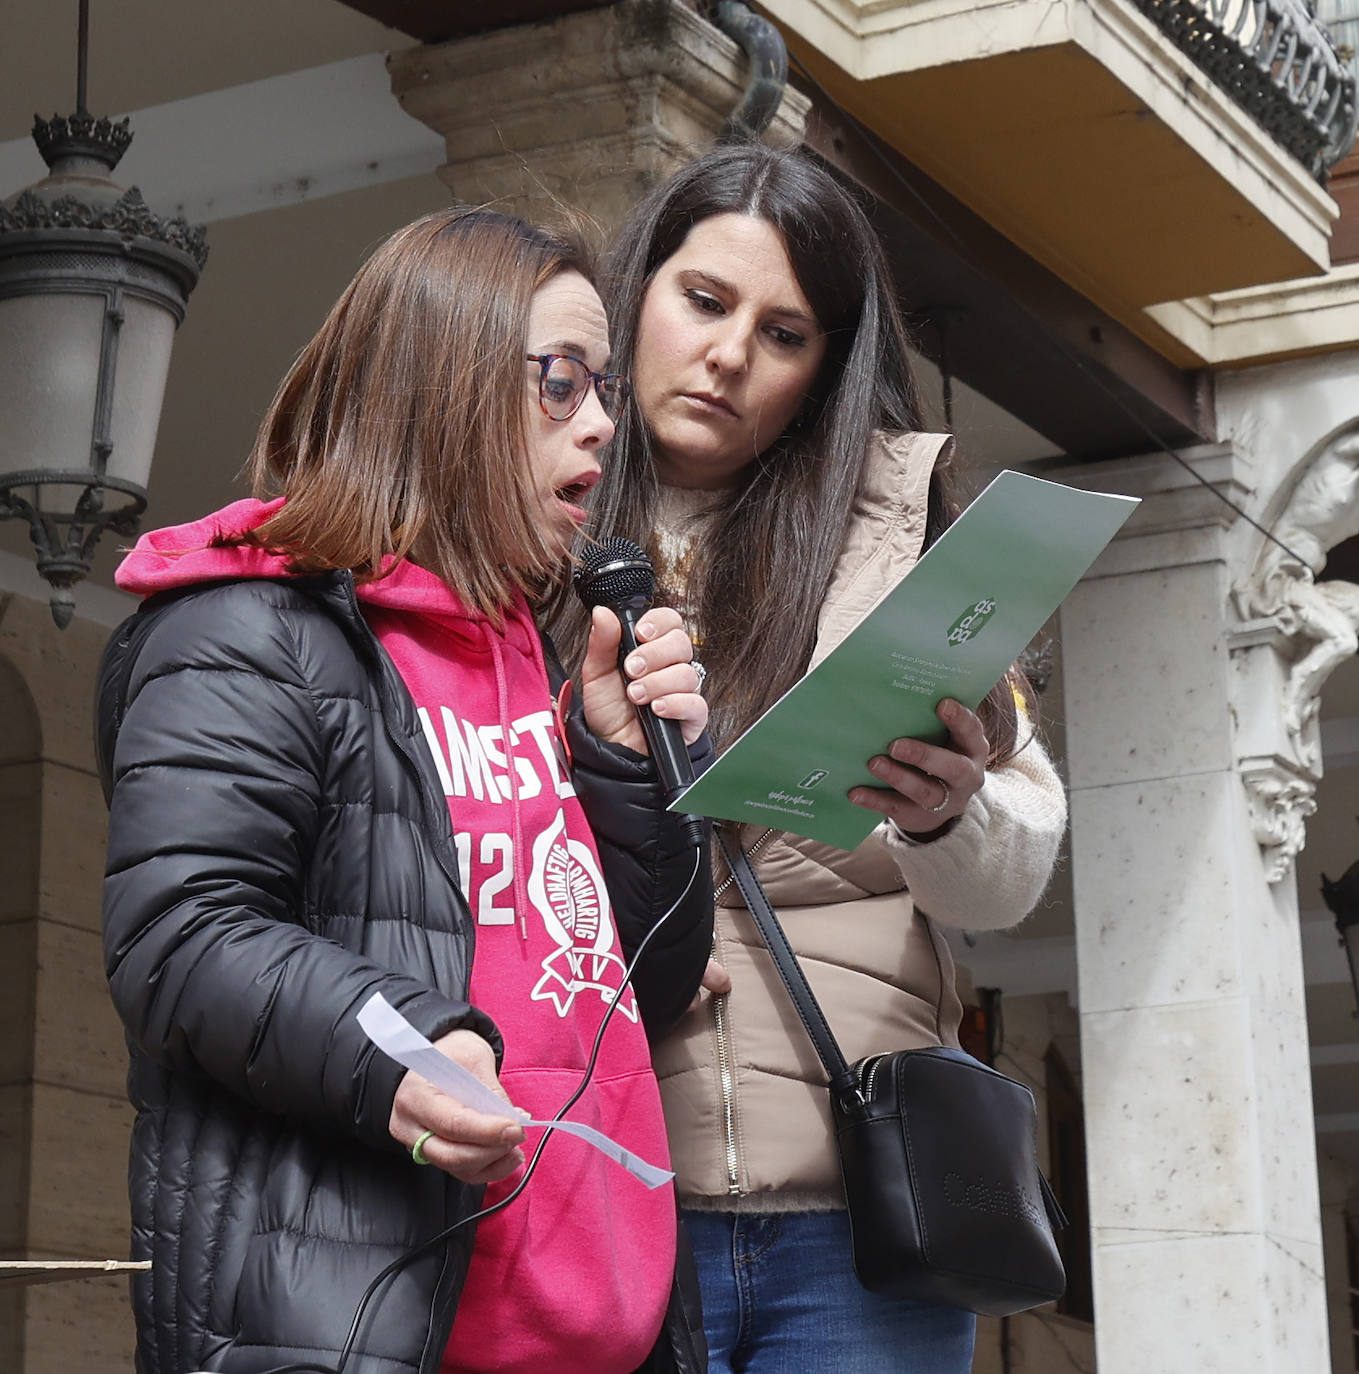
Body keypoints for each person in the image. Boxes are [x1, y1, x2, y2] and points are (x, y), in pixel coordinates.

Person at [95, 208, 716, 1374]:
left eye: (607, 392)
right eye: (561, 383)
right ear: (444, 382)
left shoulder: (537, 653)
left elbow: (645, 980)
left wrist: (629, 771)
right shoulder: (249, 629)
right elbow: (181, 936)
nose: (599, 425)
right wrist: (411, 1047)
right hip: (373, 1331)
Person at [550, 144, 1068, 1374]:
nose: (730, 355)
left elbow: (1013, 875)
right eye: (706, 301)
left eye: (785, 334)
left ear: (825, 368)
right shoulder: (520, 519)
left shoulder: (904, 541)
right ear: (637, 298)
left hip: (860, 1215)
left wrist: (951, 817)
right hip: (602, 1189)